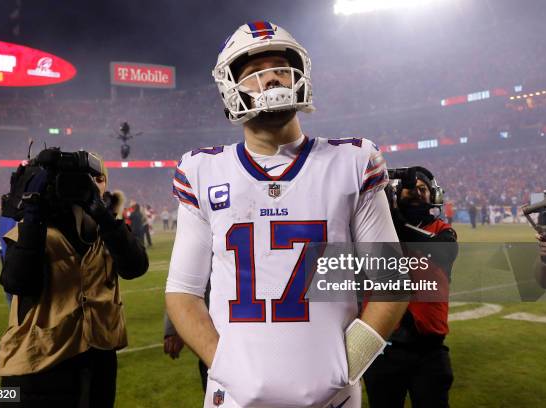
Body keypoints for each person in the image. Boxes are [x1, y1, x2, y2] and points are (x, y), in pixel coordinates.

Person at [165, 21, 408, 408]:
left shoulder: (353, 161)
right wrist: (225, 364)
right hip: (234, 398)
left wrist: (349, 365)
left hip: (334, 398)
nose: (272, 79)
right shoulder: (201, 171)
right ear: (231, 89)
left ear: (300, 76)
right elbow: (183, 291)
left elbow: (391, 282)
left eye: (281, 67)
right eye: (254, 74)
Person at [0, 153, 149, 408]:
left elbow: (135, 266)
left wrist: (102, 214)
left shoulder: (108, 230)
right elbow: (18, 283)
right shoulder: (37, 228)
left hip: (99, 361)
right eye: (84, 178)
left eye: (98, 178)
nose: (90, 184)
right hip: (40, 364)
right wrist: (33, 214)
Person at [364, 167, 458, 408]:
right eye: (411, 188)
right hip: (383, 348)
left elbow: (437, 250)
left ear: (433, 195)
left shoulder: (443, 232)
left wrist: (393, 219)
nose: (417, 193)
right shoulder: (374, 230)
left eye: (423, 188)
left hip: (429, 350)